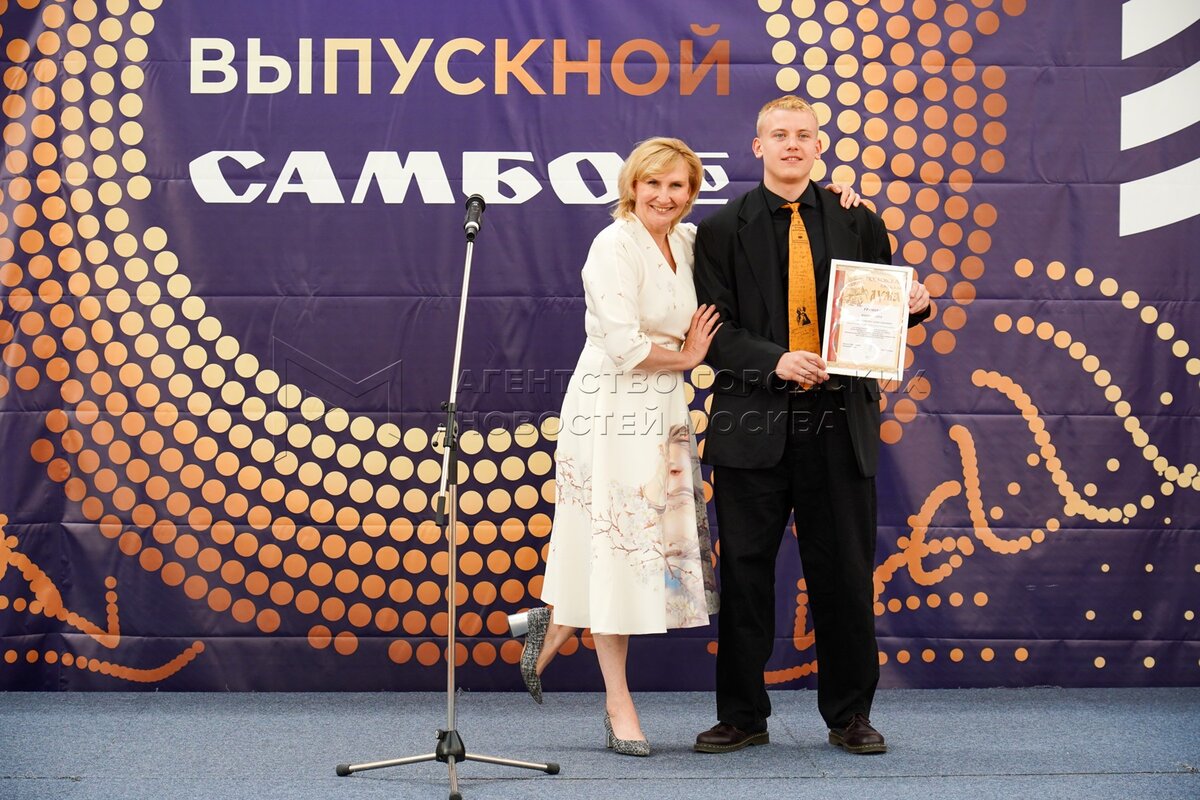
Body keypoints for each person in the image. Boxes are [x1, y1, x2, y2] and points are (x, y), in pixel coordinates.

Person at [507, 137, 864, 757]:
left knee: (640, 547)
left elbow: (761, 253)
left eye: (677, 186)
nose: (664, 196)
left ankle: (557, 620)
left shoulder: (691, 240)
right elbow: (625, 346)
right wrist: (692, 356)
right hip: (611, 405)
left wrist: (833, 200)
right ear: (632, 186)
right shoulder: (613, 246)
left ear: (692, 193)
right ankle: (618, 703)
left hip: (664, 407)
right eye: (653, 184)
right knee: (617, 545)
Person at [691, 95, 931, 756]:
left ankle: (850, 714)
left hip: (839, 423)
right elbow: (712, 333)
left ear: (819, 146)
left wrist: (915, 304)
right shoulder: (720, 229)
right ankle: (742, 716)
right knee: (745, 578)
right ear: (758, 145)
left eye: (803, 134)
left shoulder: (859, 220)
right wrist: (775, 361)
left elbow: (878, 314)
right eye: (779, 134)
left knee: (845, 576)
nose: (791, 144)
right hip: (752, 422)